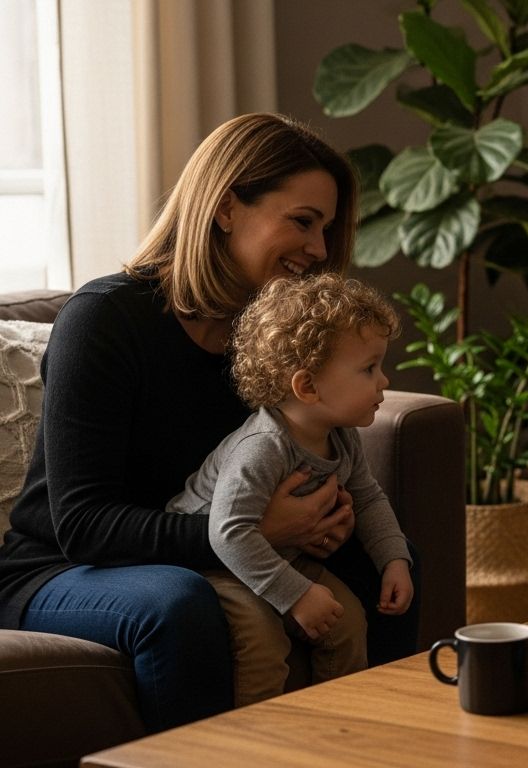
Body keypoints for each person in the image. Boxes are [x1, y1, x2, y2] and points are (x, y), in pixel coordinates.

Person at [0, 113, 418, 732]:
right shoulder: (105, 320)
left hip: (223, 542)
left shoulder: (273, 336)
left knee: (393, 568)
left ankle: (371, 746)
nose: (319, 249)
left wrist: (328, 523)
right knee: (179, 604)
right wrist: (265, 531)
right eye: (303, 221)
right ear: (225, 208)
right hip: (65, 569)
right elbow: (84, 524)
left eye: (327, 229)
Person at [166, 274, 414, 705]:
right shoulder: (263, 447)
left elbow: (369, 497)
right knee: (263, 642)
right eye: (368, 368)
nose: (384, 381)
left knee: (348, 623)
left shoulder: (341, 436)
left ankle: (338, 727)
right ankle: (260, 737)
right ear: (308, 386)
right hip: (214, 566)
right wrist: (296, 594)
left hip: (279, 555)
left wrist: (394, 560)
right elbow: (228, 533)